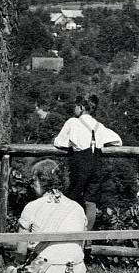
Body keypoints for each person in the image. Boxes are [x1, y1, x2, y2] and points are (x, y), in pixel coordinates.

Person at [0, 160, 87, 273]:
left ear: (39, 180)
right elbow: (80, 247)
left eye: (33, 181)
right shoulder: (77, 208)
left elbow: (21, 252)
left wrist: (20, 261)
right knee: (45, 271)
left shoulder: (32, 207)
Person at [52, 94, 122, 233]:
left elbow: (59, 142)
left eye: (76, 106)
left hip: (80, 162)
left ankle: (66, 230)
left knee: (72, 197)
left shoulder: (73, 122)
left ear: (82, 108)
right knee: (91, 201)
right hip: (96, 163)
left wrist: (72, 143)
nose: (74, 109)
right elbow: (118, 141)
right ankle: (87, 236)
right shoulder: (98, 125)